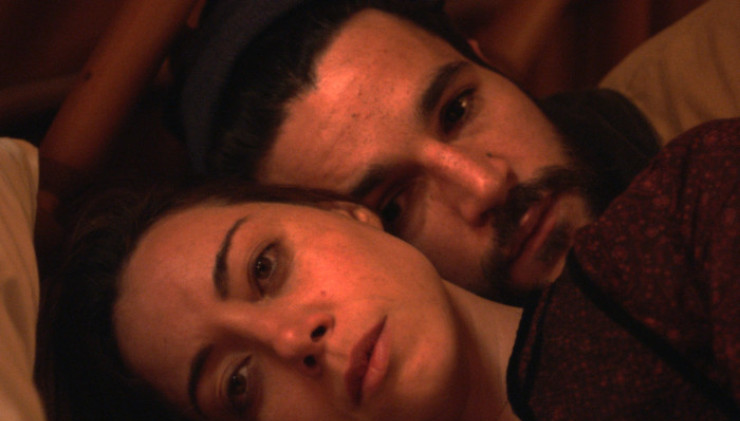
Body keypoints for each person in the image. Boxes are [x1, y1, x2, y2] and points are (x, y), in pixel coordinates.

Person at [39, 119, 740, 421]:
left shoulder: (682, 216)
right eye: (238, 383)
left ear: (344, 212)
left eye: (264, 268)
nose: (291, 339)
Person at [172, 0, 663, 304]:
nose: (485, 185)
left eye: (458, 111)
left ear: (484, 59)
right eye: (395, 206)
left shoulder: (700, 95)